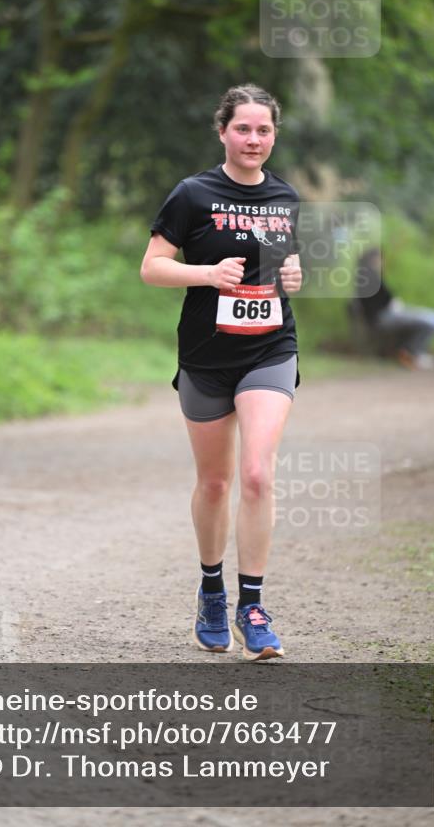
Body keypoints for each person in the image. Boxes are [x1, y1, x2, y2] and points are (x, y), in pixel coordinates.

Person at [141, 84, 302, 660]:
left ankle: (251, 605)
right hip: (206, 357)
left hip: (270, 350)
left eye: (263, 130)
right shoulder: (193, 194)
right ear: (223, 132)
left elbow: (286, 261)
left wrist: (294, 278)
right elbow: (153, 268)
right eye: (243, 128)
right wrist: (207, 274)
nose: (253, 139)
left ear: (274, 135)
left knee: (257, 474)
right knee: (215, 482)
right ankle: (212, 588)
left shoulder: (286, 197)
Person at [355, 248, 434, 370]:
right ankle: (413, 354)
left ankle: (409, 353)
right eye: (380, 258)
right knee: (432, 319)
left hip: (384, 316)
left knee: (430, 317)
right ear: (374, 259)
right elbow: (384, 303)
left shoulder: (366, 277)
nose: (382, 262)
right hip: (383, 317)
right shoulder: (369, 278)